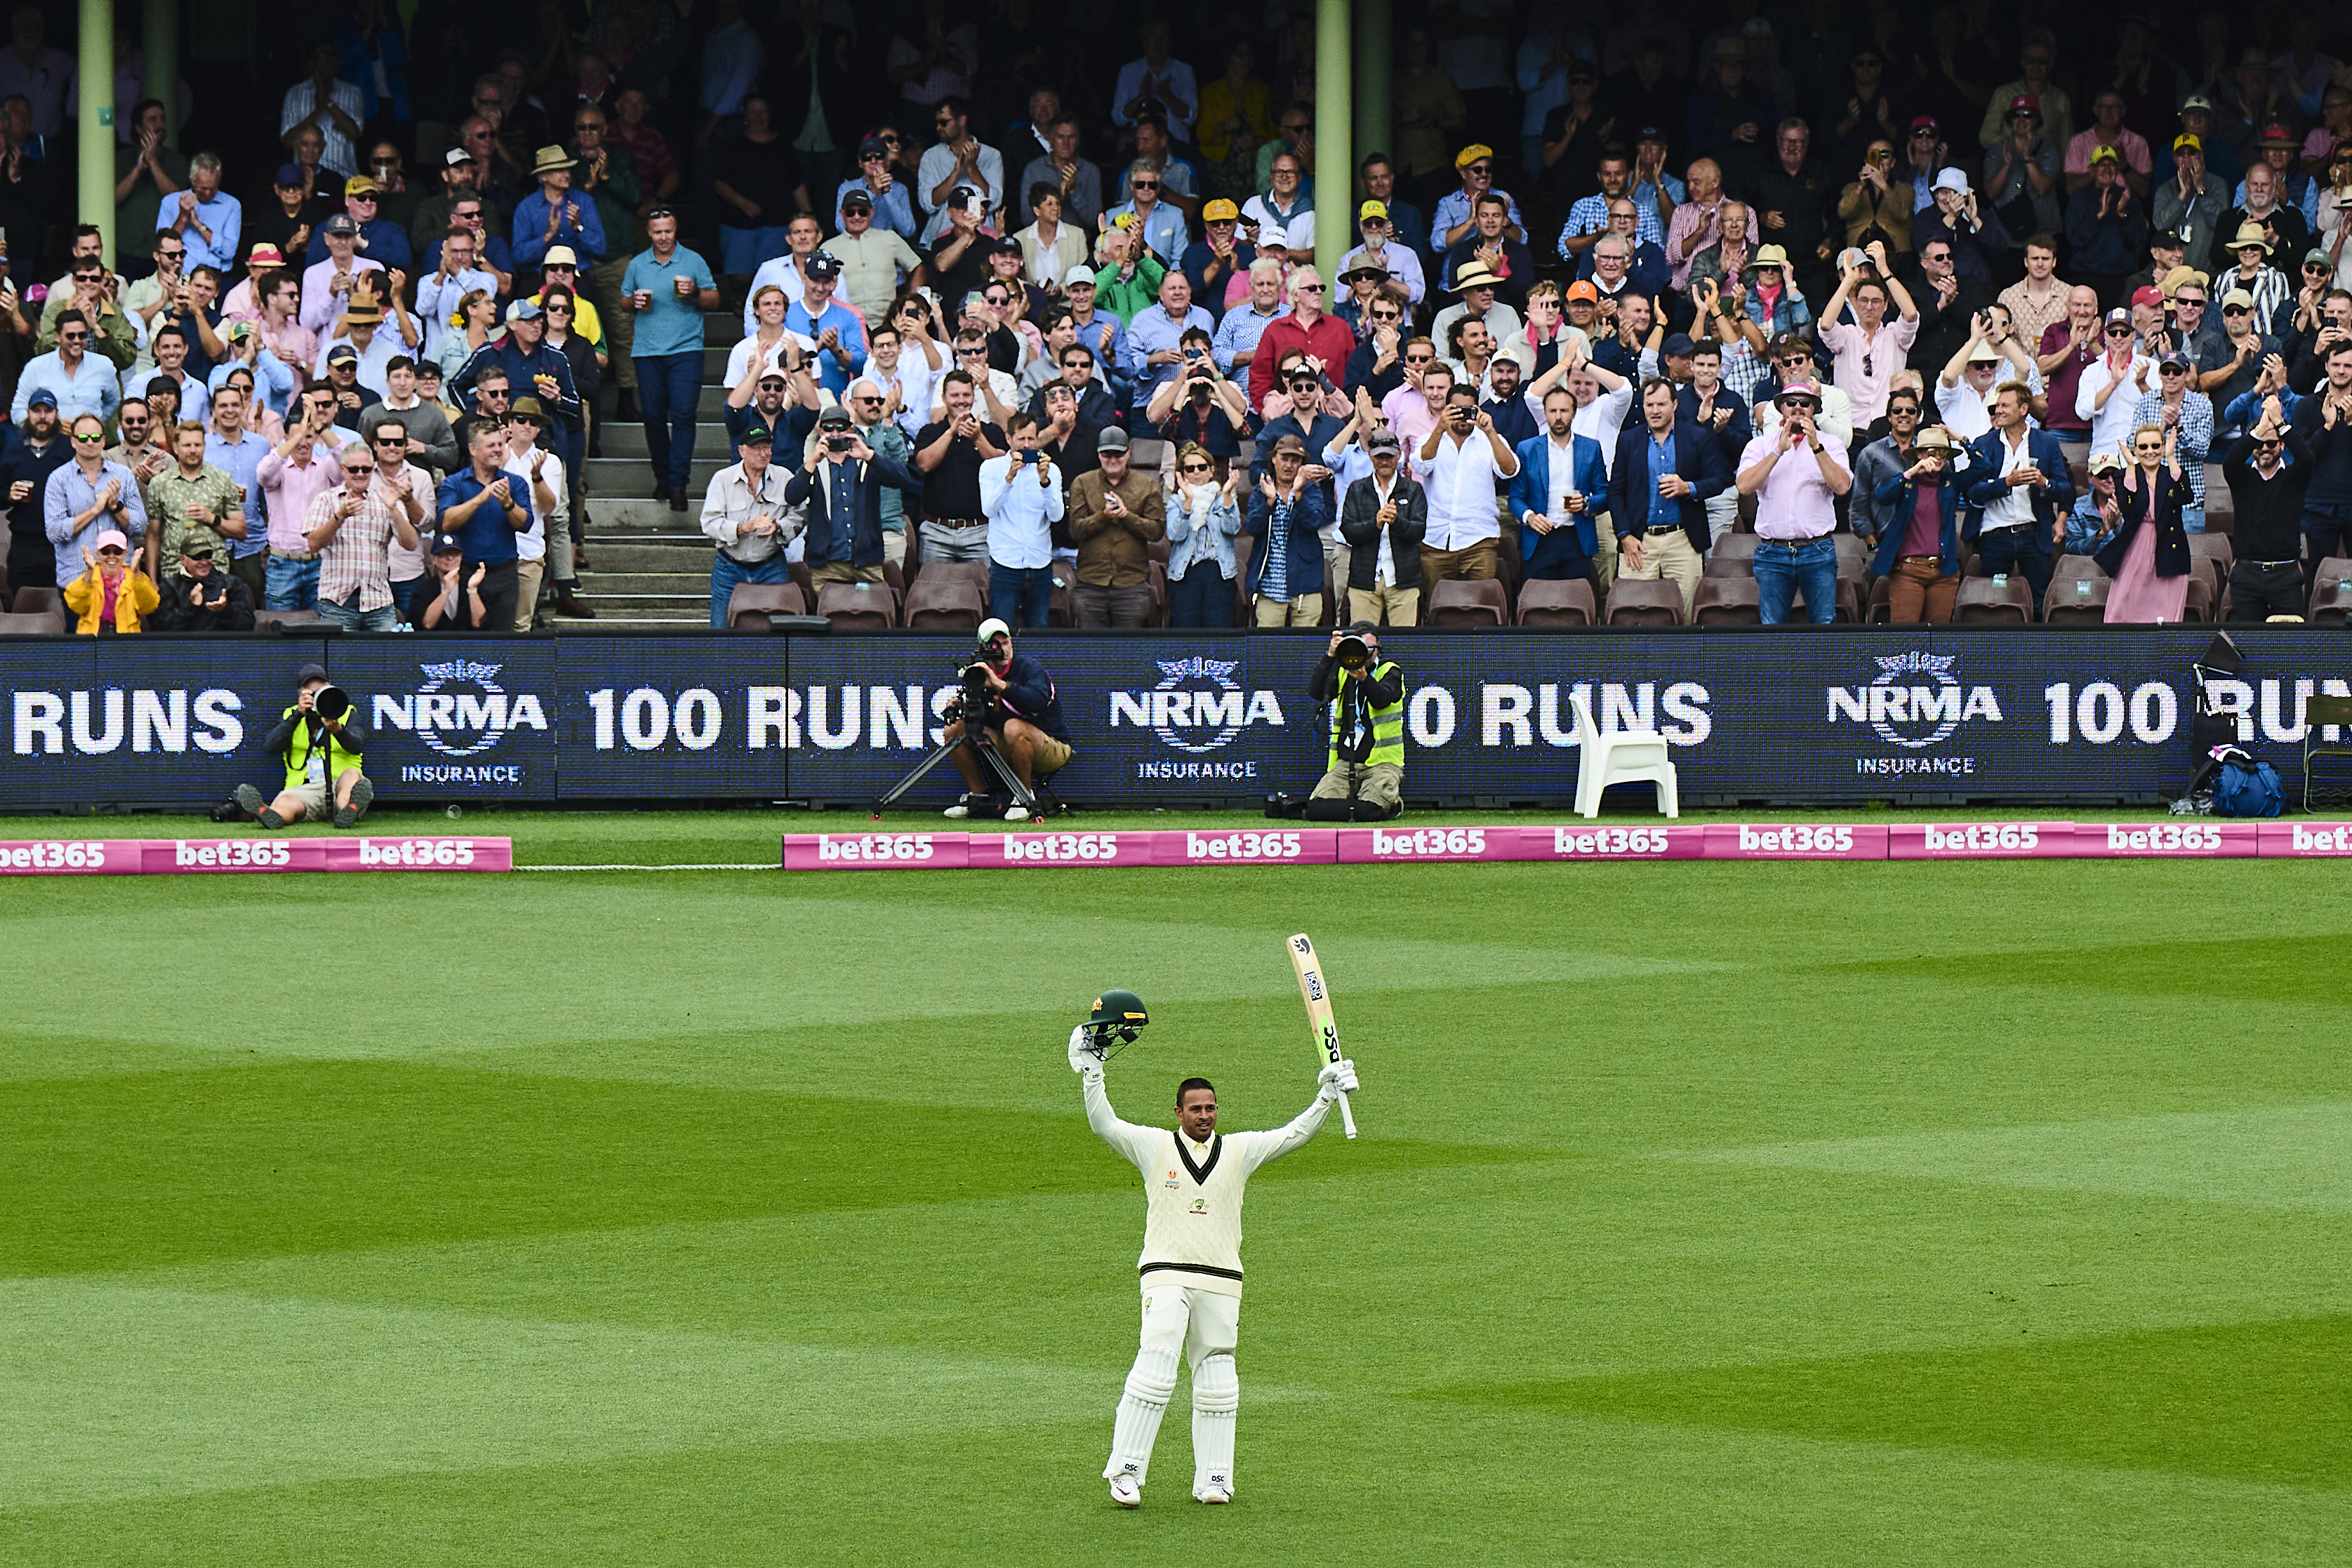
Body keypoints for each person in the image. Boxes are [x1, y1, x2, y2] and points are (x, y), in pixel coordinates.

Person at [1075, 1005, 1355, 1508]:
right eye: (1195, 1109)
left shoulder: (1241, 1151)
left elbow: (1292, 1135)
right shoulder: (1154, 1146)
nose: (1204, 1115)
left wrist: (1325, 1097)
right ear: (1178, 1112)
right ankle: (1126, 1471)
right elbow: (1104, 1124)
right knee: (1156, 1365)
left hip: (1222, 1279)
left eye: (1211, 1108)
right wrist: (1093, 1071)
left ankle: (1214, 1480)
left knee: (1218, 1381)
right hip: (1165, 1273)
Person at [621, 211, 719, 512]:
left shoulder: (693, 261)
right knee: (652, 417)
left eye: (668, 231)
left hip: (686, 349)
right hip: (647, 350)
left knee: (684, 416)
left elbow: (715, 300)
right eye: (657, 232)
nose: (663, 237)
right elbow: (623, 302)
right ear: (648, 233)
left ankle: (678, 483)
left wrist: (695, 292)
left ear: (676, 230)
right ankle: (662, 477)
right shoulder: (637, 264)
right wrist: (634, 302)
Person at [1610, 378, 1729, 618]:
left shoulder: (1697, 436)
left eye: (1661, 404)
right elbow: (1615, 492)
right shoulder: (1628, 440)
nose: (1655, 411)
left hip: (1683, 539)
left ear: (1675, 405)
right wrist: (1625, 535)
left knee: (1685, 616)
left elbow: (1720, 479)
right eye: (1649, 405)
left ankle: (1683, 657)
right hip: (1640, 541)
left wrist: (1689, 488)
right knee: (1634, 615)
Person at [1737, 382, 1853, 624]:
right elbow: (1745, 486)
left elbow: (1842, 486)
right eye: (1791, 402)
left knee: (1824, 626)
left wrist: (1816, 447)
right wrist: (1779, 450)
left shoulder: (1830, 444)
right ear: (1782, 408)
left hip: (1817, 550)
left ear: (1813, 410)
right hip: (1772, 552)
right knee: (1772, 629)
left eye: (1805, 403)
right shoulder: (1760, 445)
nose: (1798, 408)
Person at [942, 618, 1073, 820]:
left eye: (1004, 643)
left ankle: (1024, 797)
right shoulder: (980, 675)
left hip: (1052, 746)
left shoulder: (1030, 669)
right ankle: (977, 798)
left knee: (1014, 727)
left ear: (1011, 643)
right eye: (994, 645)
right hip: (1009, 742)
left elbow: (1037, 701)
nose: (1001, 649)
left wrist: (1000, 685)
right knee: (955, 729)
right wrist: (961, 705)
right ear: (983, 648)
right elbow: (984, 718)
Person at [1962, 383, 2075, 616]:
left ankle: (2037, 652)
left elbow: (2065, 489)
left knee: (2037, 602)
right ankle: (1993, 651)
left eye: (2005, 406)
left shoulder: (2047, 443)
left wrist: (2045, 483)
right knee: (1994, 602)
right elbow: (1972, 491)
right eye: (1997, 406)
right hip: (1995, 536)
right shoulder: (1984, 443)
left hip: (2033, 534)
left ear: (2023, 409)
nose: (1999, 411)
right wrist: (2006, 483)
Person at [788, 405, 922, 590]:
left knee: (873, 616)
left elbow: (902, 478)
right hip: (827, 566)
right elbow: (792, 497)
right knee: (829, 616)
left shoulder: (867, 464)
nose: (835, 433)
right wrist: (812, 461)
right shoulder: (814, 467)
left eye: (841, 428)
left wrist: (869, 455)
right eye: (828, 429)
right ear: (820, 431)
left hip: (867, 563)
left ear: (850, 430)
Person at [234, 665, 373, 830]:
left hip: (340, 784)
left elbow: (358, 745)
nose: (316, 699)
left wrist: (337, 729)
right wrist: (298, 715)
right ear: (301, 694)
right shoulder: (291, 714)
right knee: (286, 802)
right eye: (312, 694)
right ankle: (269, 813)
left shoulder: (346, 712)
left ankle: (348, 810)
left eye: (321, 692)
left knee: (351, 775)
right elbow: (270, 747)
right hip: (305, 789)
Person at [305, 439, 419, 632]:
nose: (360, 474)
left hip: (379, 601)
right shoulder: (326, 500)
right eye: (354, 469)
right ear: (342, 469)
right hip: (337, 602)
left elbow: (411, 544)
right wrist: (340, 516)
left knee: (388, 661)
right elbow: (313, 544)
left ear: (373, 468)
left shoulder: (385, 499)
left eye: (365, 469)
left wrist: (393, 509)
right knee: (339, 661)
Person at [1301, 623, 1407, 820]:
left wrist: (1365, 679)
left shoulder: (1390, 671)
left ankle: (1376, 804)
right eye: (1359, 647)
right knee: (1315, 810)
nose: (1364, 654)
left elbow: (1382, 700)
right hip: (1346, 763)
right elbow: (1316, 692)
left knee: (1370, 811)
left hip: (1382, 763)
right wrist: (1331, 656)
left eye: (1370, 649)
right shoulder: (1343, 672)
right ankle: (1360, 804)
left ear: (1378, 649)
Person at [1416, 383, 1518, 585]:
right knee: (1437, 608)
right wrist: (1440, 428)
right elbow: (1422, 464)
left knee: (1481, 607)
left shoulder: (1491, 440)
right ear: (1446, 410)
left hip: (1479, 541)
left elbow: (1510, 470)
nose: (1463, 417)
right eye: (1456, 410)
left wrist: (1490, 432)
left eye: (1468, 410)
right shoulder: (1429, 440)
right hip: (1436, 541)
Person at [2219, 398, 2312, 620]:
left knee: (2288, 647)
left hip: (2286, 575)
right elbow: (2230, 462)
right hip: (2246, 575)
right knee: (2250, 647)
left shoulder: (2294, 478)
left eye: (2271, 443)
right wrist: (2260, 429)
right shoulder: (2242, 477)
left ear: (2282, 446)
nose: (2264, 449)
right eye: (2259, 444)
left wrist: (2279, 422)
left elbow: (2307, 458)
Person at [698, 420, 797, 627]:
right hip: (730, 565)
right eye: (756, 448)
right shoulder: (722, 479)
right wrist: (743, 528)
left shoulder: (785, 477)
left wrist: (779, 527)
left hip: (771, 563)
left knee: (780, 628)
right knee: (720, 628)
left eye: (767, 447)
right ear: (742, 451)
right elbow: (709, 523)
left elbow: (800, 515)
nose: (763, 453)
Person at [1509, 385, 1607, 587]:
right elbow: (1516, 498)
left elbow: (1605, 494)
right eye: (1553, 411)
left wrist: (1587, 502)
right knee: (1537, 604)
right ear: (1545, 413)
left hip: (1576, 538)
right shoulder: (1527, 449)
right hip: (1539, 538)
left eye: (1564, 411)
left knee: (1576, 603)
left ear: (1574, 412)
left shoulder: (1591, 448)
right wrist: (1530, 517)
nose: (1558, 417)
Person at [434, 418, 529, 629]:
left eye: (500, 445)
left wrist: (508, 504)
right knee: (463, 641)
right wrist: (479, 499)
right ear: (473, 450)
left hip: (504, 574)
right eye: (491, 446)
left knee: (503, 643)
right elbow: (446, 523)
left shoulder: (515, 483)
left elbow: (525, 524)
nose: (497, 450)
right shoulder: (454, 483)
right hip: (465, 572)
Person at [1868, 424, 1965, 623]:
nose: (1938, 458)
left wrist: (1961, 439)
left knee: (1937, 644)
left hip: (1943, 570)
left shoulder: (1950, 483)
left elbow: (1985, 467)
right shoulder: (1908, 483)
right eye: (1932, 453)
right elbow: (1881, 496)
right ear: (1920, 454)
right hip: (1908, 571)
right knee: (1906, 639)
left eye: (1943, 453)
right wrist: (1911, 472)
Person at [2099, 423, 2193, 623]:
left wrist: (2171, 457)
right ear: (2135, 449)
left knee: (2166, 614)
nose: (2150, 451)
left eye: (2156, 446)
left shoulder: (2172, 473)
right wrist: (2131, 466)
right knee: (2124, 609)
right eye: (2143, 447)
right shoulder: (2124, 475)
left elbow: (2185, 496)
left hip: (2169, 546)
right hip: (2136, 546)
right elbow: (2130, 509)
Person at [45, 412, 147, 592]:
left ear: (103, 440)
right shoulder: (58, 479)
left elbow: (140, 526)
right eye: (83, 438)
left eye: (96, 437)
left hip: (120, 581)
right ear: (73, 441)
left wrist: (116, 508)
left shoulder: (123, 475)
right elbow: (54, 532)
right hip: (77, 581)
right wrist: (95, 510)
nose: (90, 442)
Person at [915, 370, 1006, 563]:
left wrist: (978, 438)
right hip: (936, 533)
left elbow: (1002, 467)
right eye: (955, 395)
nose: (961, 401)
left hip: (980, 532)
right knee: (932, 591)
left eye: (966, 395)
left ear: (974, 397)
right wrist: (951, 432)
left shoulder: (990, 431)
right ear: (944, 398)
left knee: (983, 592)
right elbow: (924, 464)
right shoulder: (930, 432)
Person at [1246, 432, 1329, 625]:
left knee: (1306, 650)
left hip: (1305, 584)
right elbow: (1252, 527)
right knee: (1267, 649)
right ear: (1274, 459)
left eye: (1295, 460)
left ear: (1301, 463)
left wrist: (1299, 496)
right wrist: (1269, 502)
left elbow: (1315, 522)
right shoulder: (1262, 490)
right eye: (1284, 459)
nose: (1289, 465)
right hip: (1269, 586)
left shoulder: (1311, 489)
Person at [1163, 441, 1244, 627]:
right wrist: (1188, 503)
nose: (1196, 472)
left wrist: (1227, 497)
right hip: (1186, 573)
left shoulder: (1224, 496)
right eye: (1190, 469)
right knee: (1187, 636)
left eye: (1201, 467)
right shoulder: (1177, 501)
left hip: (1218, 573)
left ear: (1211, 470)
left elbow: (1232, 528)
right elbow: (1175, 535)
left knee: (1218, 635)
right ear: (1183, 474)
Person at [62, 527, 159, 634]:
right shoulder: (90, 577)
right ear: (98, 553)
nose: (111, 556)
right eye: (106, 552)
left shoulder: (133, 578)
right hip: (93, 643)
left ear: (125, 553)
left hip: (126, 644)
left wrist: (136, 573)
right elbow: (75, 606)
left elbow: (149, 606)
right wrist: (90, 573)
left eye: (117, 552)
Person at [152, 540, 255, 631]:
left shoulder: (230, 584)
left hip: (222, 647)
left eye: (208, 555)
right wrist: (190, 608)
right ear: (183, 559)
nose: (204, 562)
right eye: (197, 557)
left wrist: (226, 609)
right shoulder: (170, 586)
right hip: (184, 648)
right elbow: (161, 628)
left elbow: (248, 625)